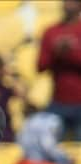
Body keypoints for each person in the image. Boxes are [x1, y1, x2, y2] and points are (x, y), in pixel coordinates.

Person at [39, 0, 81, 140]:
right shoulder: (51, 32)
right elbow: (40, 66)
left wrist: (71, 52)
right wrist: (56, 52)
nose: (68, 4)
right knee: (50, 148)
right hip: (58, 102)